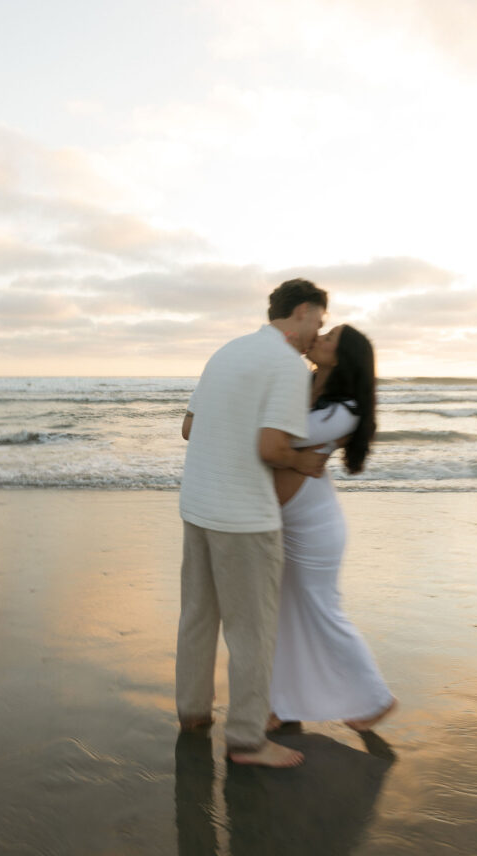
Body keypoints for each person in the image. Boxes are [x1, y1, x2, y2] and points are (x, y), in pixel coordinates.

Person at [176, 278, 329, 768]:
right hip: (243, 518)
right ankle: (247, 740)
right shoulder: (286, 363)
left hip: (198, 505)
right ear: (302, 311)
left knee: (198, 617)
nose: (316, 336)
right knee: (252, 632)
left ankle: (193, 712)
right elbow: (270, 448)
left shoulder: (227, 352)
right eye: (318, 324)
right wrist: (305, 462)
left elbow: (189, 427)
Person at [268, 324, 397, 734]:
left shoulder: (343, 411)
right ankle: (284, 704)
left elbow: (280, 437)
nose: (319, 338)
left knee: (323, 612)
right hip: (286, 523)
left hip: (314, 527)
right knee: (284, 616)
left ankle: (377, 698)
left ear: (340, 358)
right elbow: (280, 445)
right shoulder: (304, 387)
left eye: (329, 339)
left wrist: (288, 455)